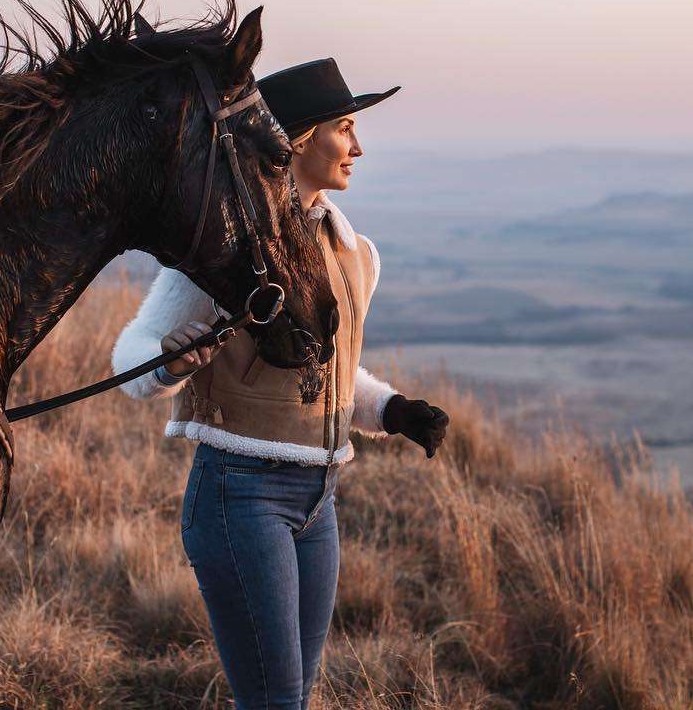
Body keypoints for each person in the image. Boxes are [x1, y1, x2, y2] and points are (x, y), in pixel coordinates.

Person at [111, 57, 450, 710]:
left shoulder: (356, 254)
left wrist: (396, 411)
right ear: (297, 138)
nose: (358, 146)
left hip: (318, 502)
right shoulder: (224, 246)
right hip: (239, 494)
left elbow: (331, 373)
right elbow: (131, 355)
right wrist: (170, 363)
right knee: (276, 703)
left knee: (291, 695)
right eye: (344, 128)